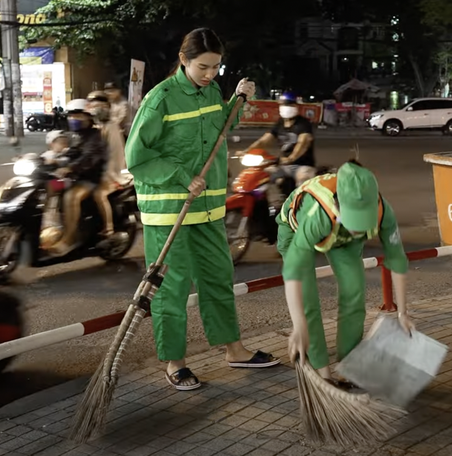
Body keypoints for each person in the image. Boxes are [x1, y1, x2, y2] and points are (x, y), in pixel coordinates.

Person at [125, 27, 280, 391]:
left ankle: (234, 350)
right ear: (183, 60)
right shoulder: (159, 100)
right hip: (170, 213)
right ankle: (175, 363)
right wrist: (181, 176)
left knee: (218, 279)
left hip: (209, 210)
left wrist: (238, 102)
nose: (210, 75)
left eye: (216, 68)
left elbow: (218, 131)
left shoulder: (211, 91)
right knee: (172, 289)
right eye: (203, 67)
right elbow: (138, 158)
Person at [277, 159, 414, 387]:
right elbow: (293, 272)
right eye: (353, 221)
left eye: (362, 222)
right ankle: (323, 375)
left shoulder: (383, 210)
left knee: (354, 292)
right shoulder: (317, 214)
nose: (356, 228)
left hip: (342, 240)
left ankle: (348, 367)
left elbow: (397, 259)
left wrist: (403, 314)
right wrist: (298, 326)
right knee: (308, 302)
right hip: (296, 232)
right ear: (339, 205)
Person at [48, 99, 108, 257]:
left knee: (71, 197)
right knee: (49, 187)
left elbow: (89, 158)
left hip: (91, 178)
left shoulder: (96, 136)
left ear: (88, 117)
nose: (74, 119)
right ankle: (51, 228)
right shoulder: (75, 135)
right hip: (75, 177)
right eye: (71, 115)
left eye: (78, 115)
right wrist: (53, 159)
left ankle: (68, 239)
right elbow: (71, 153)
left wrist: (70, 168)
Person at [244, 92, 317, 204]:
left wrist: (292, 158)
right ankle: (269, 207)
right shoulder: (280, 124)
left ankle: (303, 212)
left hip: (303, 165)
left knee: (303, 182)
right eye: (282, 105)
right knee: (261, 176)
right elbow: (264, 140)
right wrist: (247, 151)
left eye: (288, 105)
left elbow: (303, 143)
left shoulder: (303, 124)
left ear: (296, 106)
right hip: (283, 164)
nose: (285, 107)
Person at [87, 90, 127, 248]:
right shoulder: (91, 125)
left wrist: (108, 175)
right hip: (92, 171)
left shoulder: (111, 126)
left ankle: (108, 230)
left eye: (100, 104)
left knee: (99, 194)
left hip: (112, 173)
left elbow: (115, 154)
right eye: (93, 103)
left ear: (107, 106)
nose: (96, 107)